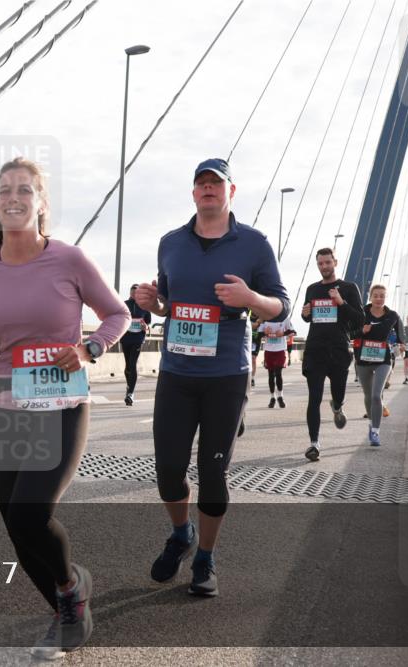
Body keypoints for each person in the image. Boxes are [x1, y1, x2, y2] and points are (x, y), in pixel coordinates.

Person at [0, 157, 128, 660]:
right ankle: (68, 601)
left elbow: (118, 313)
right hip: (6, 407)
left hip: (63, 403)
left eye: (25, 190)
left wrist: (89, 349)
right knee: (17, 530)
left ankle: (69, 604)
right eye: (4, 190)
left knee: (31, 512)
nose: (14, 197)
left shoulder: (69, 259)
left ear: (42, 204)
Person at [135, 158, 289, 599]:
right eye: (201, 184)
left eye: (215, 184)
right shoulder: (171, 243)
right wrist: (154, 301)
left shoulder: (254, 244)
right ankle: (181, 533)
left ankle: (204, 557)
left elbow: (280, 305)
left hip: (226, 375)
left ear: (231, 192)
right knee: (167, 471)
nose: (208, 190)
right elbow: (167, 300)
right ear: (193, 193)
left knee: (213, 471)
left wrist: (250, 297)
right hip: (177, 373)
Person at [299, 248, 363, 462]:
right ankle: (314, 444)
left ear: (335, 262)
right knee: (314, 398)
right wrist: (304, 314)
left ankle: (337, 406)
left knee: (338, 394)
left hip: (338, 351)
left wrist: (341, 302)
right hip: (316, 350)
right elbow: (310, 318)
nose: (324, 267)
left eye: (328, 262)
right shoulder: (312, 289)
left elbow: (359, 320)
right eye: (320, 263)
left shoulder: (348, 288)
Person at [353, 285, 403, 447]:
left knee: (376, 395)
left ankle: (375, 431)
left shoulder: (392, 315)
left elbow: (401, 335)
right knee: (368, 396)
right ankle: (371, 421)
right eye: (376, 295)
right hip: (363, 359)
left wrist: (402, 344)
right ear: (370, 297)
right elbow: (350, 332)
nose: (379, 298)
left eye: (382, 296)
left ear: (385, 297)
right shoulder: (361, 313)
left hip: (383, 359)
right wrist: (362, 330)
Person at [121, 284, 152, 406]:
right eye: (132, 292)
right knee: (128, 366)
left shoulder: (145, 306)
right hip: (126, 338)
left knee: (133, 364)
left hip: (138, 338)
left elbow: (148, 322)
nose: (134, 294)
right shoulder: (124, 304)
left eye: (136, 292)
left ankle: (130, 393)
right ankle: (129, 387)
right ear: (130, 293)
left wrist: (146, 327)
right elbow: (118, 317)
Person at [258, 318, 294, 408]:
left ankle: (280, 396)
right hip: (269, 350)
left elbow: (293, 332)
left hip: (280, 350)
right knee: (271, 375)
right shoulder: (265, 317)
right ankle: (272, 397)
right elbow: (257, 334)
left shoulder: (284, 318)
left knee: (278, 373)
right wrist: (264, 332)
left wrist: (283, 333)